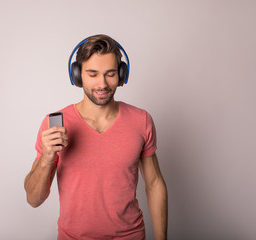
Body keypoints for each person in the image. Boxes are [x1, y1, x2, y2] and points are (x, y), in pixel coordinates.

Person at [24, 34, 168, 240]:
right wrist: (46, 159)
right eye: (92, 74)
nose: (102, 84)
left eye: (110, 74)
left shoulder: (141, 120)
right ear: (77, 75)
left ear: (121, 74)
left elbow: (154, 183)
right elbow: (33, 199)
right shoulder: (54, 123)